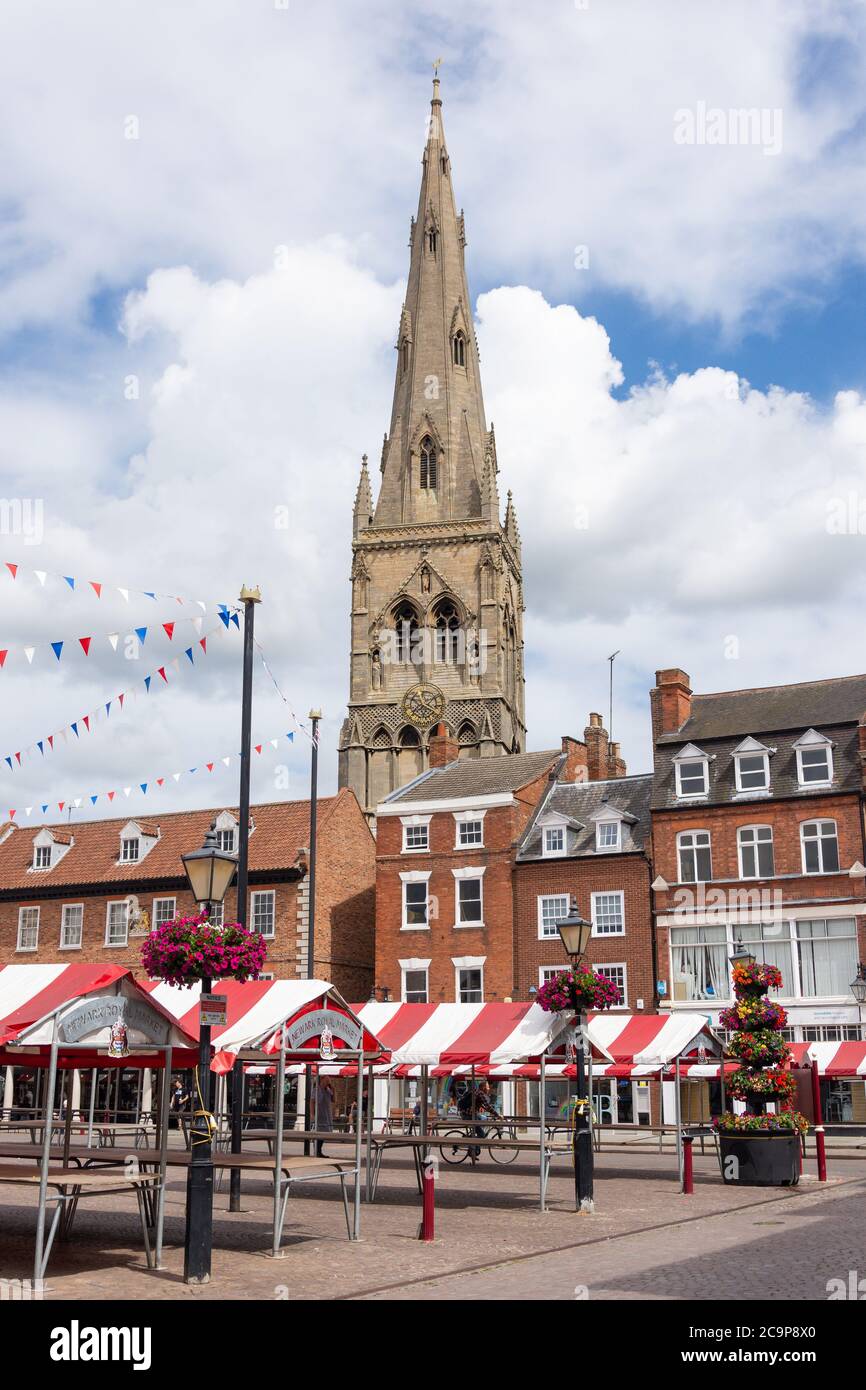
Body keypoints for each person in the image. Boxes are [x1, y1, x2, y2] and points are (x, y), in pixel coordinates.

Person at [315, 1076, 335, 1156]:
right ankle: (318, 1151)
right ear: (322, 1080)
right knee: (320, 1133)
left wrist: (333, 1090)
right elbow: (312, 1102)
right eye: (327, 1080)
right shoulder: (317, 1090)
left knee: (324, 1133)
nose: (328, 1082)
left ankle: (319, 1151)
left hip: (326, 1114)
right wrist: (313, 1114)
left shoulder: (328, 1090)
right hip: (320, 1115)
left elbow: (333, 1100)